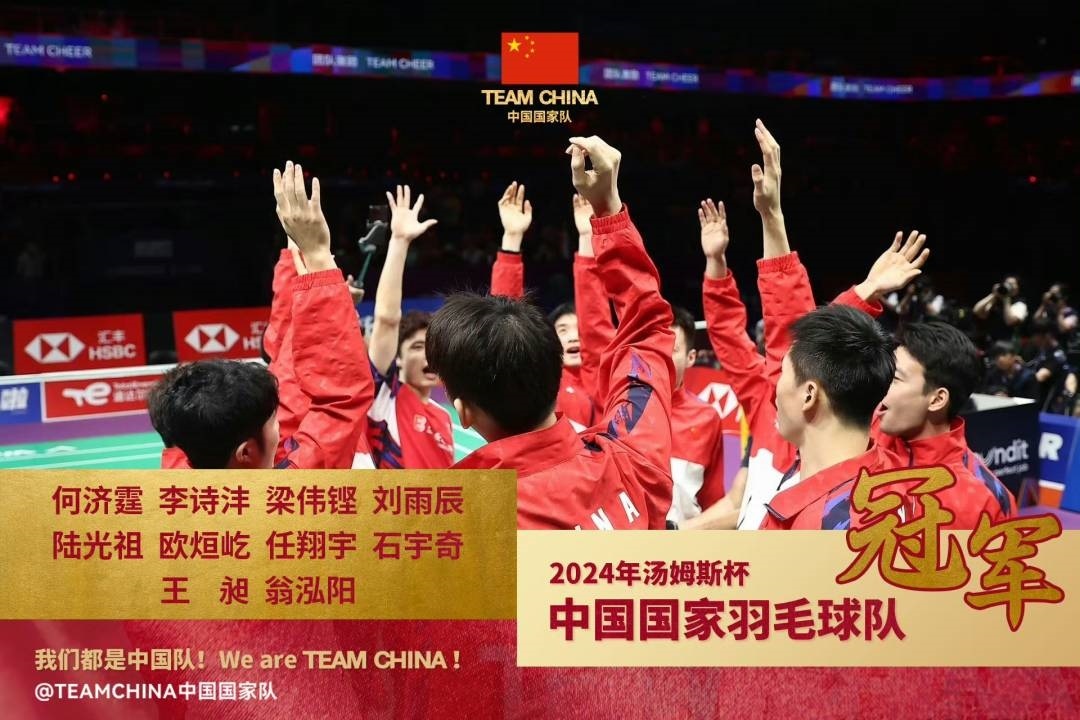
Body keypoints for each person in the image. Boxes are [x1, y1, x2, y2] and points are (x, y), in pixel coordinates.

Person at [426, 135, 676, 529]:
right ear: (554, 373)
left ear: (464, 413)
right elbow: (645, 332)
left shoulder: (460, 527)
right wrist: (609, 210)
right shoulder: (632, 459)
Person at [699, 120, 920, 530]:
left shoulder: (868, 490)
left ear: (809, 392)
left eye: (784, 368)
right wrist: (725, 257)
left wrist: (773, 217)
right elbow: (757, 330)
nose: (776, 375)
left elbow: (794, 326)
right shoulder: (772, 404)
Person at [149, 161, 372, 469]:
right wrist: (319, 257)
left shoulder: (184, 459)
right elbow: (340, 400)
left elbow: (284, 358)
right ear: (246, 453)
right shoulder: (290, 491)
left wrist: (299, 257)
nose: (281, 424)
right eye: (273, 420)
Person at [573, 211, 724, 525]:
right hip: (625, 543)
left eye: (672, 349)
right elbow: (595, 326)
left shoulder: (707, 418)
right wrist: (588, 241)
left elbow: (714, 501)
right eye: (657, 347)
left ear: (691, 358)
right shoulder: (621, 398)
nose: (660, 356)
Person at [873, 322, 1016, 525]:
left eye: (895, 378)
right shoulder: (865, 428)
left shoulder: (985, 503)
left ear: (937, 400)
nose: (880, 384)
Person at [489, 182, 597, 430]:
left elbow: (594, 312)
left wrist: (587, 237)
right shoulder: (538, 382)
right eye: (563, 330)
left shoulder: (606, 379)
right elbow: (506, 322)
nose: (574, 337)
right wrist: (512, 238)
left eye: (579, 330)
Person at [366, 185, 455, 469]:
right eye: (417, 346)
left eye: (432, 348)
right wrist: (399, 241)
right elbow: (387, 319)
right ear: (398, 359)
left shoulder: (444, 416)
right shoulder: (386, 396)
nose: (429, 355)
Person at [973, 275, 1028, 345]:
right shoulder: (996, 301)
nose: (1008, 286)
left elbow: (1010, 321)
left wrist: (1006, 299)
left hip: (1008, 344)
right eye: (1007, 283)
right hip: (990, 343)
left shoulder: (1020, 304)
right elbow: (977, 311)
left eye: (1012, 284)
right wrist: (993, 294)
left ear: (1018, 288)